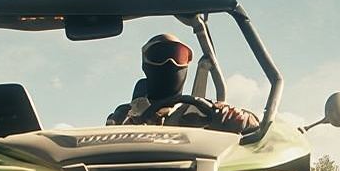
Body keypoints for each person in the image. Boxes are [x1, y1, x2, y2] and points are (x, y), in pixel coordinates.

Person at [106, 33, 259, 133]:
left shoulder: (200, 110)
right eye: (159, 54)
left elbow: (254, 125)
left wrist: (219, 113)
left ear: (187, 64)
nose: (169, 62)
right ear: (145, 62)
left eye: (179, 56)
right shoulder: (124, 115)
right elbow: (104, 145)